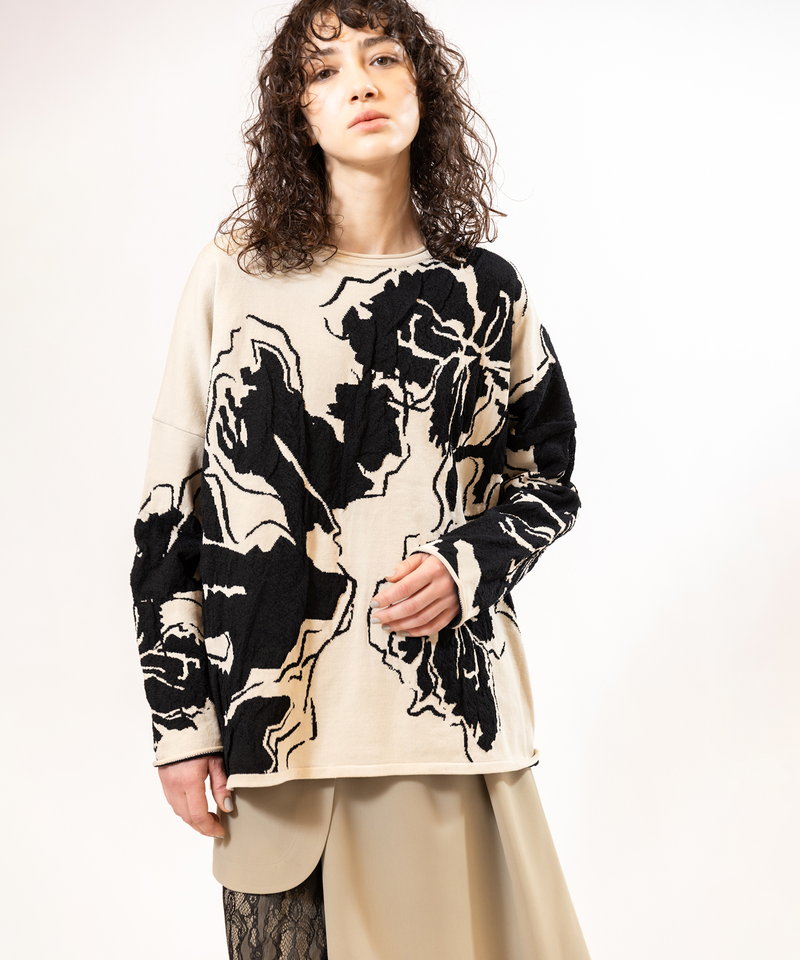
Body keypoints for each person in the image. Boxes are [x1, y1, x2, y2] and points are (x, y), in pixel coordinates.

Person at [129, 2, 592, 958]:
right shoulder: (233, 274)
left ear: (425, 90)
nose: (361, 84)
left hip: (447, 730)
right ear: (298, 114)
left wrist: (467, 564)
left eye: (384, 59)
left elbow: (548, 480)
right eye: (326, 70)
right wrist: (181, 723)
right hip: (275, 734)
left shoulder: (486, 291)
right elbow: (169, 511)